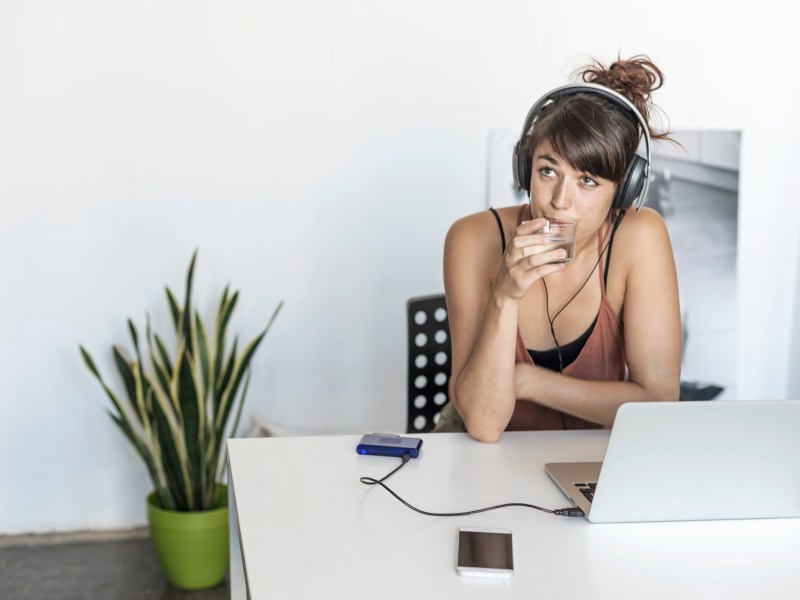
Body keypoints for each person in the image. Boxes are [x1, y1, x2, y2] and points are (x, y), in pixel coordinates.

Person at [434, 55, 682, 442]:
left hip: (593, 457)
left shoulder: (640, 237)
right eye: (548, 171)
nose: (559, 201)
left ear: (625, 189)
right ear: (524, 169)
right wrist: (504, 296)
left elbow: (658, 400)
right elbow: (483, 424)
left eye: (587, 180)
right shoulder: (471, 239)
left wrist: (528, 381)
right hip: (480, 454)